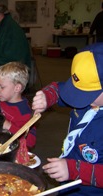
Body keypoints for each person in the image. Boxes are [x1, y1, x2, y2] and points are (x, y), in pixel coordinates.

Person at [32, 43, 103, 195]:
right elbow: (59, 89)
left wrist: (75, 170)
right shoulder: (91, 96)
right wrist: (47, 97)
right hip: (68, 178)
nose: (81, 99)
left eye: (88, 94)